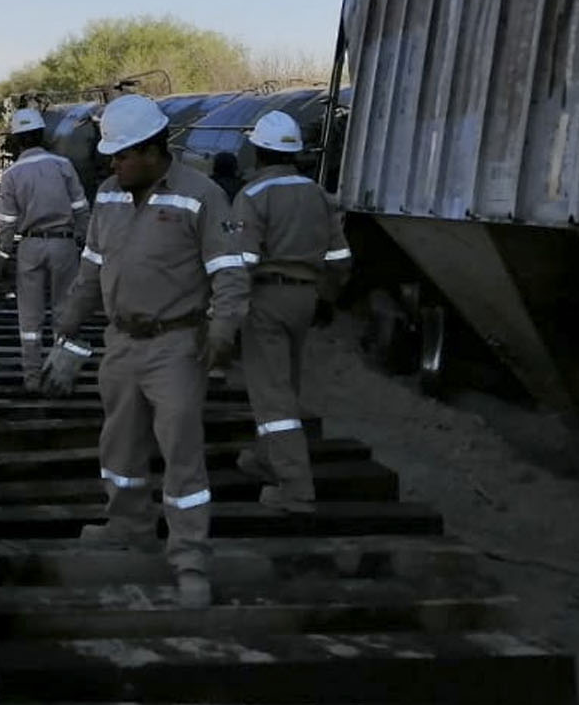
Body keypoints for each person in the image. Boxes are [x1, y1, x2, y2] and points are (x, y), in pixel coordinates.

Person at [40, 95, 249, 609]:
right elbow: (90, 272)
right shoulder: (109, 197)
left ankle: (190, 556)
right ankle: (127, 525)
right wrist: (65, 333)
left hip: (176, 344)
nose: (113, 165)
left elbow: (229, 272)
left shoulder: (201, 197)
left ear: (153, 152)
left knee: (180, 451)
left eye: (122, 155)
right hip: (121, 343)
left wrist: (223, 331)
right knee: (120, 446)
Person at [230, 111, 352, 512]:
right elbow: (339, 256)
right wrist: (329, 298)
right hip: (306, 297)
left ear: (259, 151)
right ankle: (265, 459)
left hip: (267, 297)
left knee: (272, 394)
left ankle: (295, 488)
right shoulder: (318, 194)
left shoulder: (253, 196)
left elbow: (242, 260)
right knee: (284, 383)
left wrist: (228, 313)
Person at [0, 108, 90, 393]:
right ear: (41, 135)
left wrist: (3, 254)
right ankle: (60, 377)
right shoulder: (63, 165)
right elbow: (81, 208)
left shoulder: (12, 173)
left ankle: (33, 378)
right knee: (64, 312)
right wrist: (83, 242)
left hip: (30, 246)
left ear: (17, 141)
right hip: (63, 244)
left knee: (30, 317)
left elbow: (7, 221)